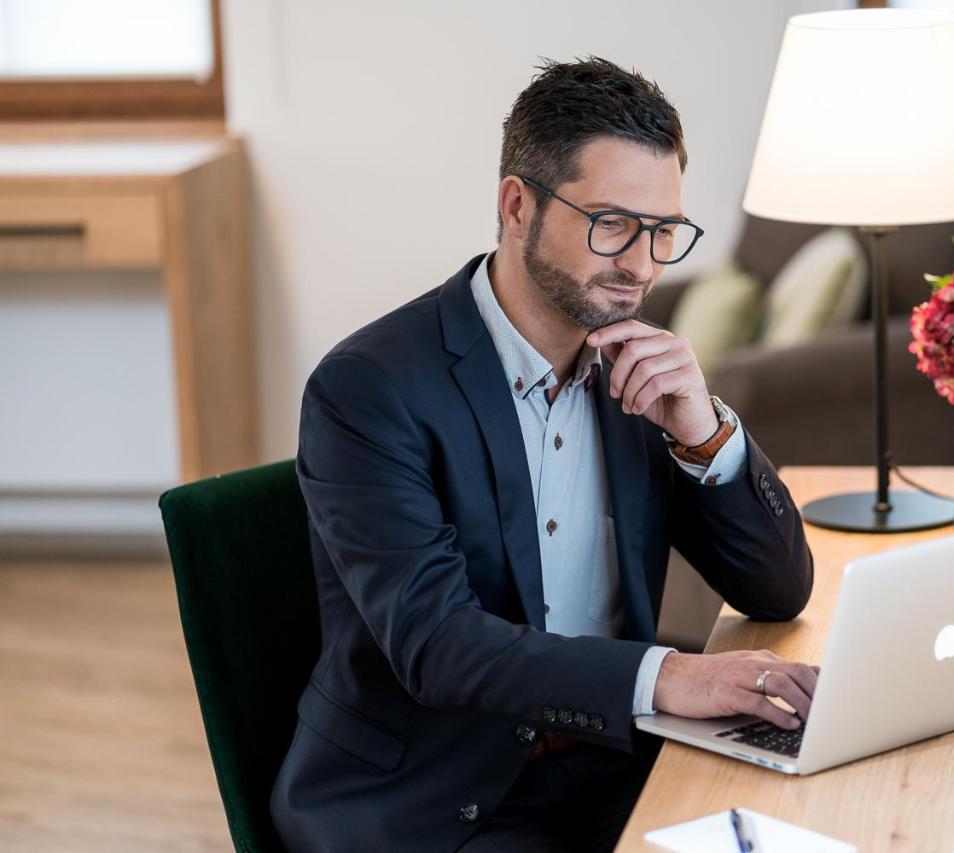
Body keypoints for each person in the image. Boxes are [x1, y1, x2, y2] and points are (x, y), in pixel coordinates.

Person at [270, 56, 815, 853]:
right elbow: (437, 644)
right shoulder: (369, 389)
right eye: (612, 223)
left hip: (614, 764)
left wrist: (706, 432)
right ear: (518, 205)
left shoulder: (641, 376)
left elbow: (777, 587)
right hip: (436, 798)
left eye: (663, 231)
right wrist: (669, 675)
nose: (641, 263)